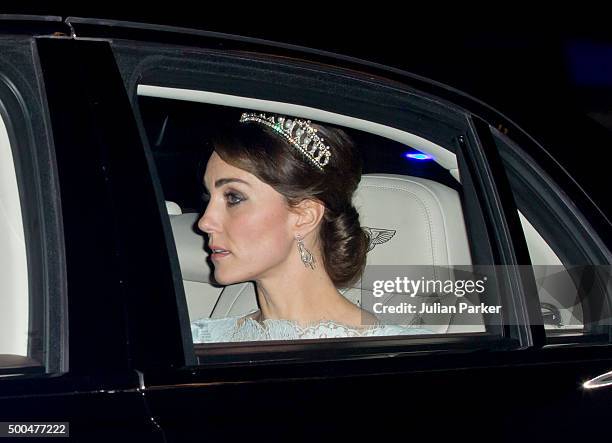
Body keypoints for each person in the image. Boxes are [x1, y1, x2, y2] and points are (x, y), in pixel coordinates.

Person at [190, 111, 431, 342]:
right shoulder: (200, 339)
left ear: (304, 216)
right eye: (208, 198)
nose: (204, 221)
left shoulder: (399, 356)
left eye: (233, 198)